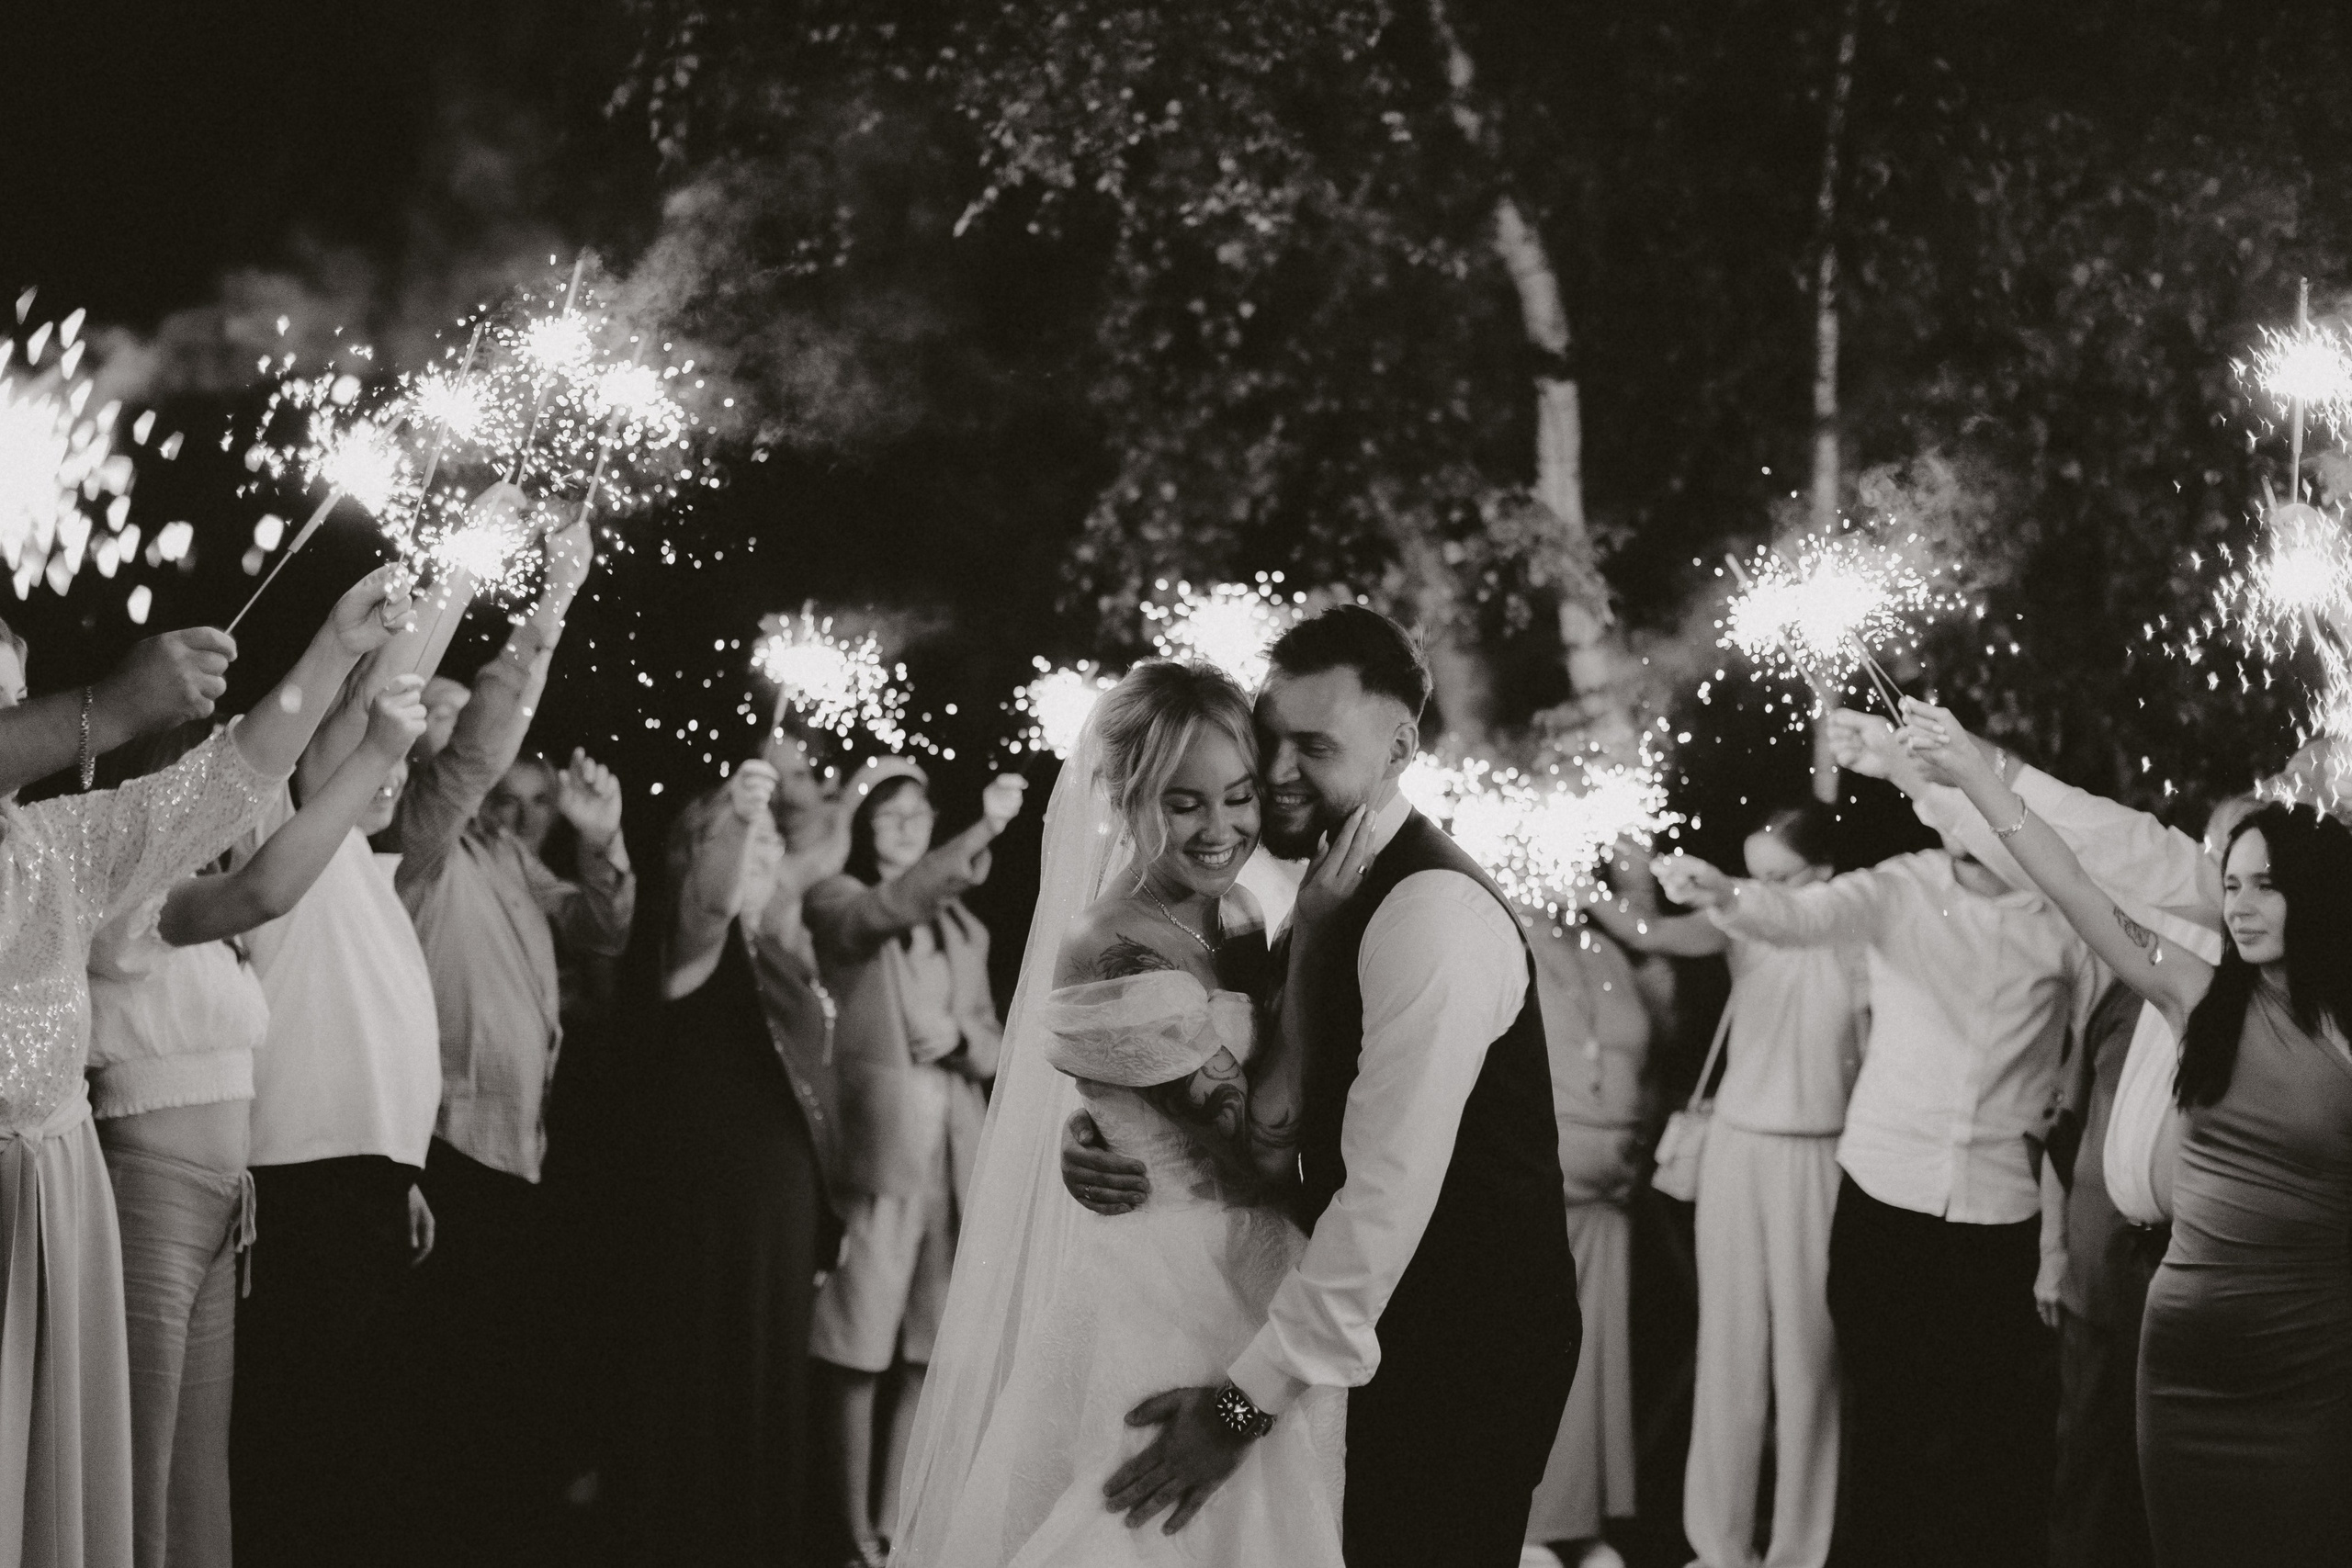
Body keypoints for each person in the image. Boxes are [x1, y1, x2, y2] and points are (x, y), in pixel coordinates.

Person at [1045, 606, 1578, 1568]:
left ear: (1399, 746)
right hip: (1344, 1342)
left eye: (1315, 746)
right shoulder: (1312, 894)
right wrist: (1114, 1129)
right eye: (1271, 734)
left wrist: (1242, 1406)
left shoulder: (1432, 915)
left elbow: (1383, 1194)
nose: (1279, 769)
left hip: (1459, 1352)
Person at [1, 563, 413, 1568]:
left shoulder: (54, 844)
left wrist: (332, 647)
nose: (18, 716)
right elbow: (251, 888)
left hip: (63, 1193)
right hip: (110, 1184)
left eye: (16, 694)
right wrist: (108, 706)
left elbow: (223, 780)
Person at [902, 658, 1347, 1566]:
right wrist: (1321, 944)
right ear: (1125, 795)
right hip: (1164, 1289)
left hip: (1257, 1278)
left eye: (1238, 795)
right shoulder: (1111, 947)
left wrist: (1097, 1121)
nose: (1221, 829)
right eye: (1184, 804)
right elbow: (1258, 1150)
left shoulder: (1236, 916)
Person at [1899, 700, 2352, 1567]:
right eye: (2231, 884)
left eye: (2268, 883)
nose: (2242, 904)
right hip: (2184, 1352)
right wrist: (1972, 773)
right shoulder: (2198, 993)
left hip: (2310, 1357)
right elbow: (2072, 880)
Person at [1657, 784, 2093, 1568]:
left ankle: (1813, 1550)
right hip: (1819, 1173)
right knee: (1796, 1377)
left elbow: (2081, 1061)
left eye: (1782, 875)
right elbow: (1776, 918)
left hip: (1930, 1184)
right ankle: (1733, 1548)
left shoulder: (2044, 920)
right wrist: (1721, 891)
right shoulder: (1867, 896)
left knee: (1895, 1397)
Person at [85, 676, 427, 1568]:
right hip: (150, 1198)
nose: (252, 809)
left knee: (198, 1473)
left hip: (223, 1211)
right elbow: (267, 890)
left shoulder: (210, 914)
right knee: (137, 1459)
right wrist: (379, 748)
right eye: (230, 791)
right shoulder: (132, 895)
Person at [391, 511, 628, 1564]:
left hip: (515, 1150)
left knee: (495, 1390)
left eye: (455, 711)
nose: (454, 727)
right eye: (436, 712)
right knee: (436, 1396)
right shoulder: (413, 840)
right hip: (439, 1150)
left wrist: (604, 840)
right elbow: (470, 759)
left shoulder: (503, 854)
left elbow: (602, 927)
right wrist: (548, 606)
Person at [1589, 805, 1860, 1568]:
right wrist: (1585, 889)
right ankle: (1717, 1545)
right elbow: (1655, 935)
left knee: (1810, 1357)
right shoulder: (1740, 919)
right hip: (1739, 1146)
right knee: (1729, 1344)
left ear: (1823, 875)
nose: (1755, 889)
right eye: (1752, 874)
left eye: (1776, 876)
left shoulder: (1856, 929)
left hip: (1819, 1151)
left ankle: (1800, 1552)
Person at [629, 728, 845, 1568]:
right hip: (713, 1207)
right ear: (699, 849)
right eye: (742, 839)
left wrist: (831, 1207)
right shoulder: (692, 936)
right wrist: (739, 811)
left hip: (786, 1208)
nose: (762, 852)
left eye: (767, 841)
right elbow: (712, 900)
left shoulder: (779, 949)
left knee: (770, 1390)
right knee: (710, 1384)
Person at [804, 760, 1023, 1568]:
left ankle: (898, 1523)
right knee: (858, 1343)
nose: (905, 822)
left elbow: (1001, 1040)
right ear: (863, 826)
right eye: (887, 812)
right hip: (877, 1153)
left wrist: (965, 1043)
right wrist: (988, 829)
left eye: (918, 810)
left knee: (930, 1347)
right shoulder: (837, 902)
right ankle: (847, 1526)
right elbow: (891, 905)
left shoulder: (968, 928)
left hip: (953, 1158)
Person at [1520, 916, 1649, 1568]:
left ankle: (1578, 1519)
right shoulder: (1500, 934)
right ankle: (1528, 1523)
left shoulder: (1605, 948)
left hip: (1609, 1194)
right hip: (1535, 1188)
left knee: (1595, 1361)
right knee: (1534, 1349)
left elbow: (1655, 1040)